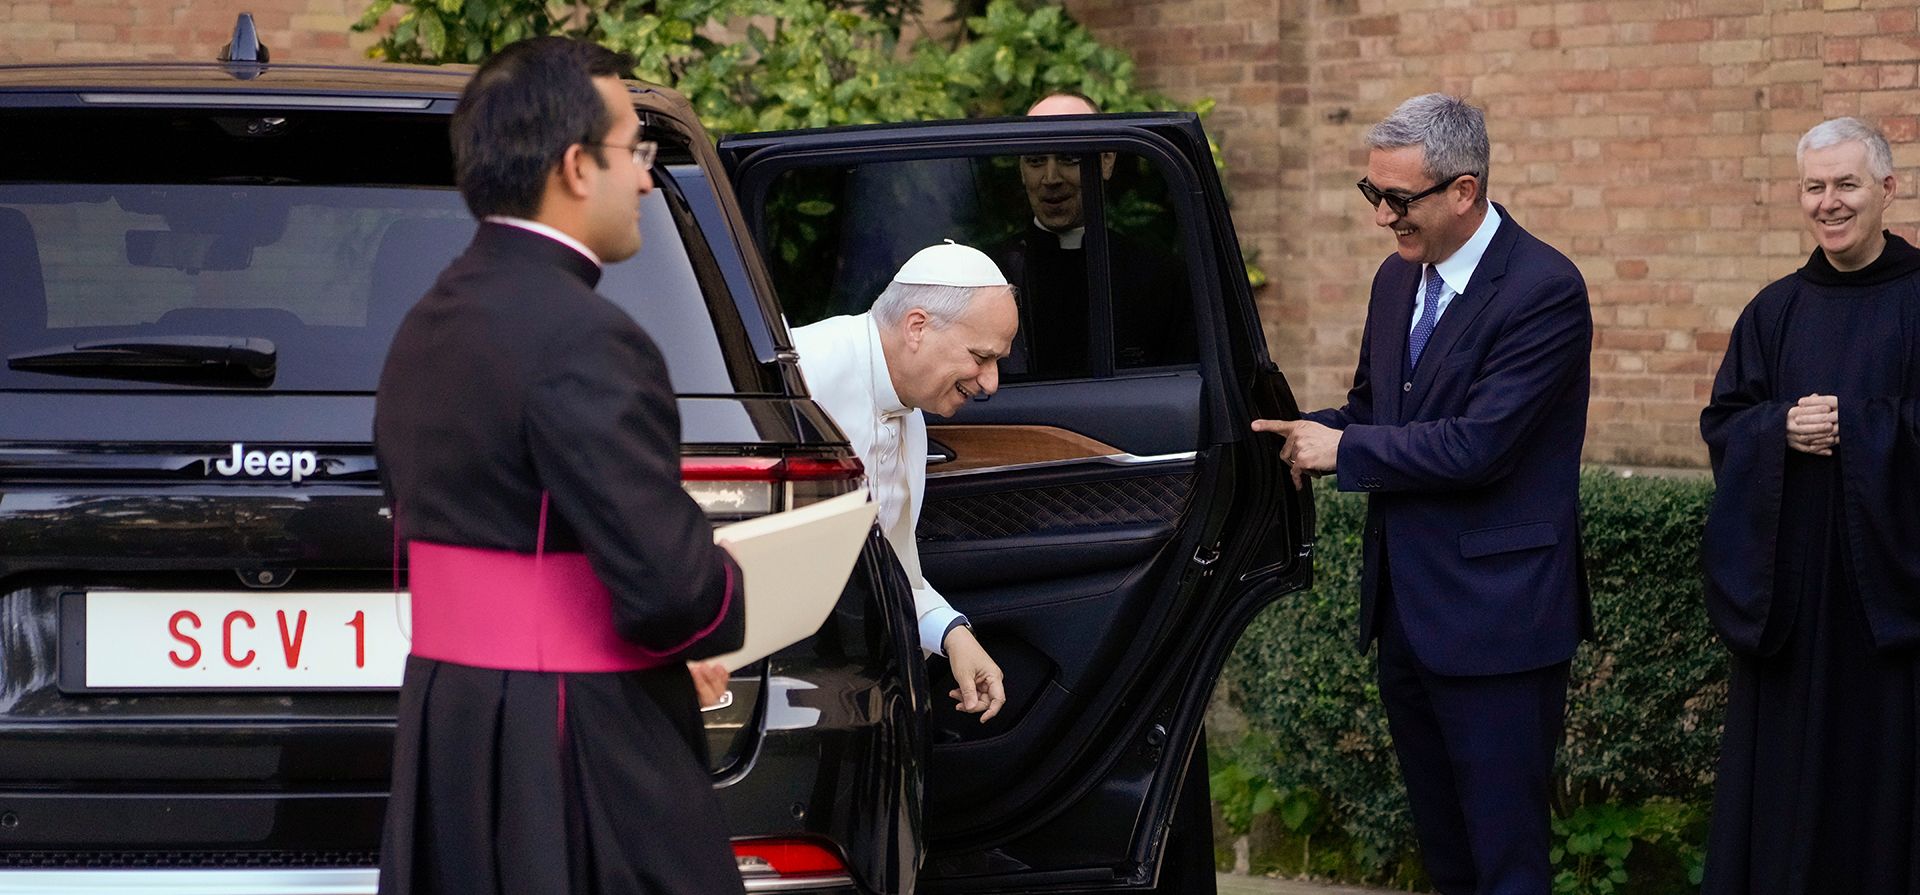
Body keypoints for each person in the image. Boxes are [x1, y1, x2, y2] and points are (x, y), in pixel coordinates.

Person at [373, 37, 745, 894]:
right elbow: (672, 590)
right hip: (574, 741)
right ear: (578, 166)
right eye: (635, 152)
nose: (647, 179)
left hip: (452, 725)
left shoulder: (423, 324)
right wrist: (711, 608)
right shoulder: (589, 339)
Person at [1251, 94, 1592, 894]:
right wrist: (1301, 430)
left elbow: (1480, 444)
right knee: (1447, 854)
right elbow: (1377, 411)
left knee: (1506, 859)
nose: (1383, 218)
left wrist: (1348, 447)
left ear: (1464, 190)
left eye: (1398, 200)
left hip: (1500, 620)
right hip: (1409, 615)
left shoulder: (1544, 289)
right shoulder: (1396, 281)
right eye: (1374, 195)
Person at [1699, 117, 1920, 894]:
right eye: (1814, 186)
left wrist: (1859, 428)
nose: (1829, 202)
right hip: (1792, 611)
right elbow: (1724, 423)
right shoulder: (1774, 310)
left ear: (1888, 190)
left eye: (1847, 184)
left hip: (1892, 615)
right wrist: (1775, 427)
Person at [790, 242, 1015, 721]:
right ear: (917, 327)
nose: (991, 383)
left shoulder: (911, 414)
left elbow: (890, 565)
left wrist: (954, 635)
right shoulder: (796, 375)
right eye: (982, 356)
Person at [990, 93, 1192, 378]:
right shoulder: (988, 274)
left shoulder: (1160, 276)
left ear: (1106, 161)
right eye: (1036, 160)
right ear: (1022, 170)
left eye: (1069, 157)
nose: (1051, 179)